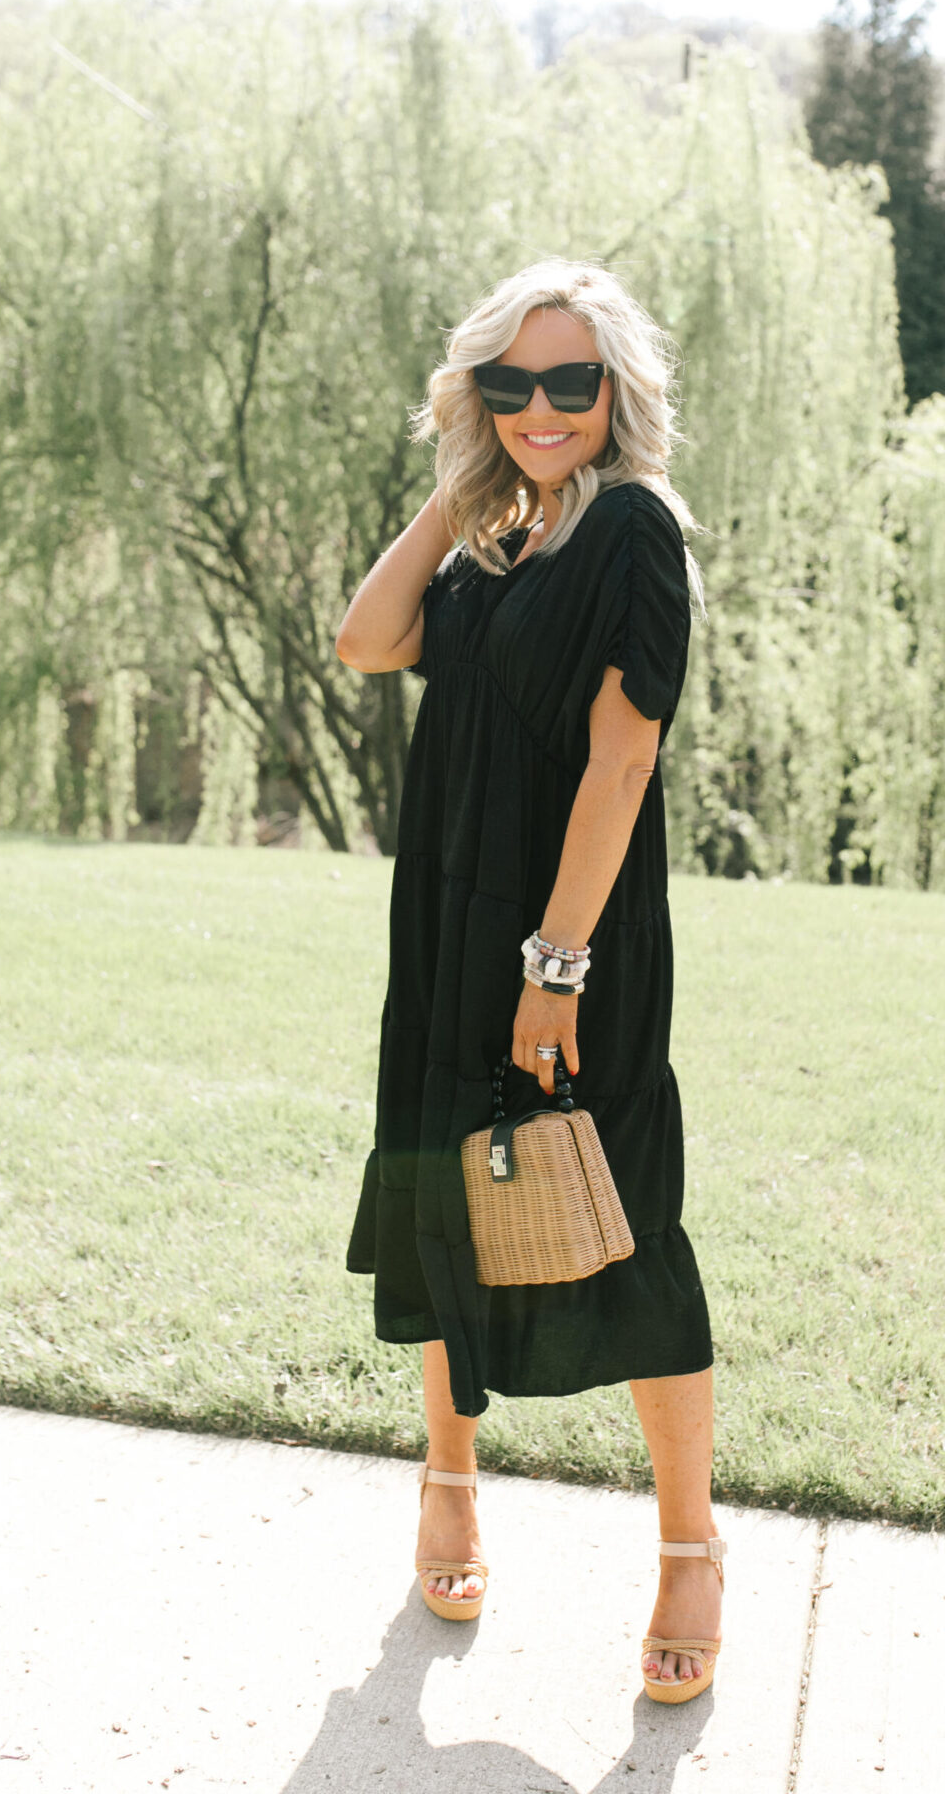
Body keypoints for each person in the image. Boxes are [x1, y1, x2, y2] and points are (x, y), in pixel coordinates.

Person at [336, 259, 723, 1703]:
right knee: (450, 1200)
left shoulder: (632, 530)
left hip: (572, 942)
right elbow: (367, 641)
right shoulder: (505, 545)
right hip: (446, 934)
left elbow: (625, 757)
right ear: (482, 396)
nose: (546, 407)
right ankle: (449, 1488)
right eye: (515, 385)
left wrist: (554, 971)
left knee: (623, 1225)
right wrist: (463, 482)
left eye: (573, 382)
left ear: (618, 392)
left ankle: (691, 1552)